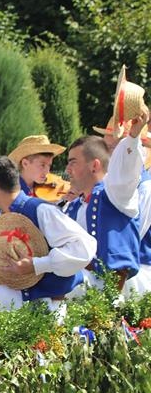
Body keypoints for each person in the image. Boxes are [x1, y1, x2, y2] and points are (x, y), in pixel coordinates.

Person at [0, 156, 96, 311]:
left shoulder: (40, 210)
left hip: (47, 304)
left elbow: (84, 247)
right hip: (20, 301)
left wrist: (38, 264)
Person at [64, 110, 148, 292]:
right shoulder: (74, 205)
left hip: (118, 285)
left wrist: (132, 138)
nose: (67, 170)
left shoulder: (118, 193)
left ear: (94, 165)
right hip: (88, 283)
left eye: (73, 162)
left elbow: (125, 172)